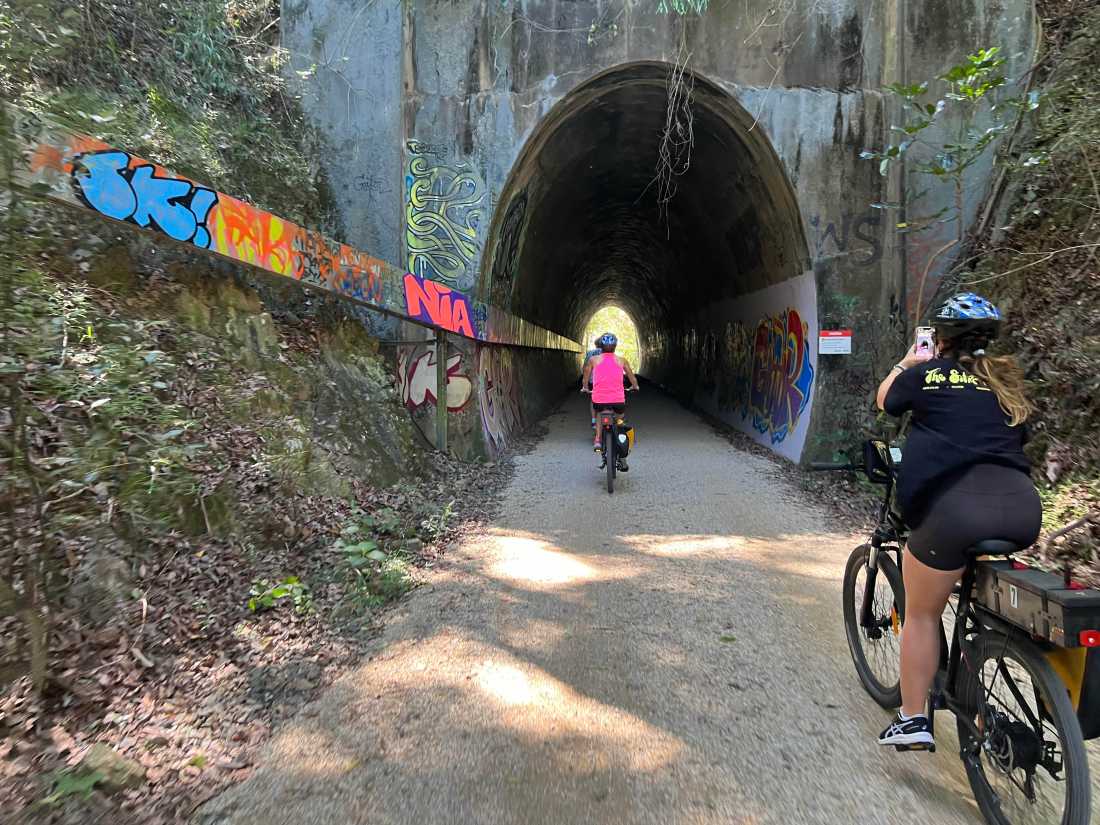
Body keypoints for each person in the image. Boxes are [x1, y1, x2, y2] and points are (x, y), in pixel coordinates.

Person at [874, 292, 1040, 749]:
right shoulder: (1004, 385)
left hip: (957, 510)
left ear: (940, 339)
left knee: (922, 613)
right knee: (960, 575)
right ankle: (980, 667)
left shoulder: (926, 375)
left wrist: (907, 362)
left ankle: (911, 719)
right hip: (1022, 509)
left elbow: (885, 401)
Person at [581, 332, 640, 468]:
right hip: (618, 400)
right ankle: (619, 432)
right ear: (615, 347)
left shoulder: (593, 360)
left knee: (600, 413)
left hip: (599, 399)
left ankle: (597, 439)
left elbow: (585, 377)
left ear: (601, 346)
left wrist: (585, 388)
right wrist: (635, 386)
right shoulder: (622, 360)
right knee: (620, 418)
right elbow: (632, 378)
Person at [582, 338, 603, 432]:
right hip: (605, 380)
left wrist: (584, 383)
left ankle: (594, 420)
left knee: (593, 400)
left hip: (592, 380)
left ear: (595, 344)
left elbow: (585, 367)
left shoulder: (590, 353)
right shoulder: (607, 353)